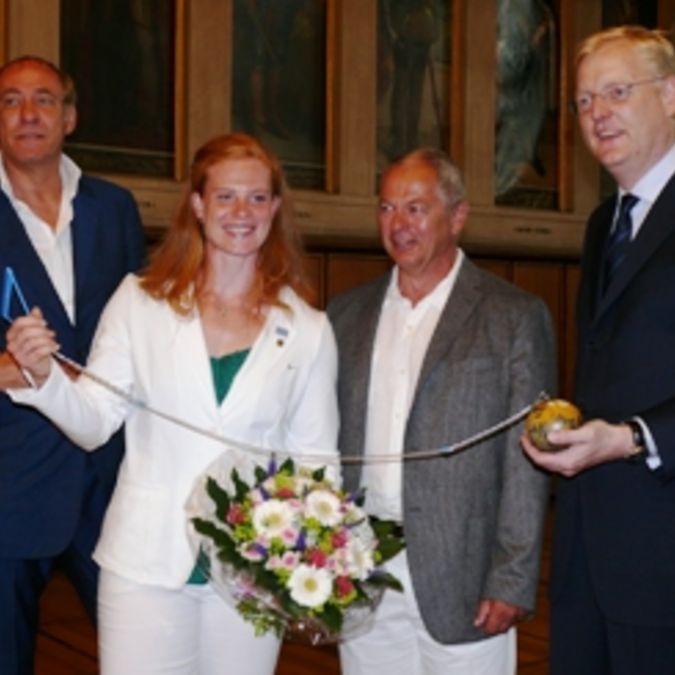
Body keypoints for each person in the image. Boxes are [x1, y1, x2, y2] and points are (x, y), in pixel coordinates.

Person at [4, 132, 339, 675]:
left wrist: (312, 557)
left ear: (275, 209)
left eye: (257, 198)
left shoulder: (308, 329)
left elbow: (316, 461)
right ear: (199, 205)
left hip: (252, 572)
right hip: (144, 564)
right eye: (225, 196)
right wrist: (44, 379)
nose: (242, 212)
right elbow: (95, 421)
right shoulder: (140, 301)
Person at [328, 148, 555, 675]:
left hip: (465, 577)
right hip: (362, 571)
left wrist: (513, 577)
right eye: (387, 208)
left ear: (457, 216)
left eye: (416, 208)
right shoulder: (344, 314)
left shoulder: (513, 317)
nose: (398, 224)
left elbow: (527, 461)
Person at [521, 25, 675, 675]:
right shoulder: (600, 223)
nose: (597, 114)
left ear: (670, 96)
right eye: (584, 101)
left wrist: (633, 437)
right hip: (588, 549)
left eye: (616, 92)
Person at [0, 55, 145, 674]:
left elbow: (144, 326)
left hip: (110, 481)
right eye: (10, 100)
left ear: (70, 117)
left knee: (144, 658)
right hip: (10, 485)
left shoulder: (114, 208)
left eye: (44, 99)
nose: (28, 113)